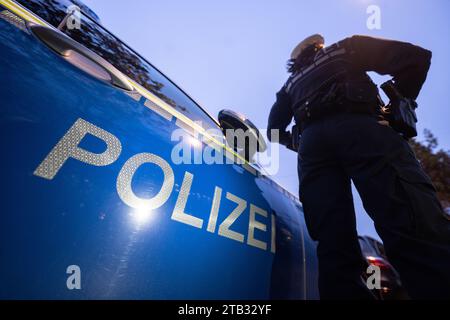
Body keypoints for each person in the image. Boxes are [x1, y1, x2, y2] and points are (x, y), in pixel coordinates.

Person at [267, 34, 450, 299]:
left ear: (294, 61)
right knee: (412, 223)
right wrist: (401, 102)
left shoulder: (289, 84)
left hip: (313, 148)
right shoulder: (344, 48)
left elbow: (273, 129)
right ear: (319, 46)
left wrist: (298, 141)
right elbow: (416, 58)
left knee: (332, 246)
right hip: (363, 129)